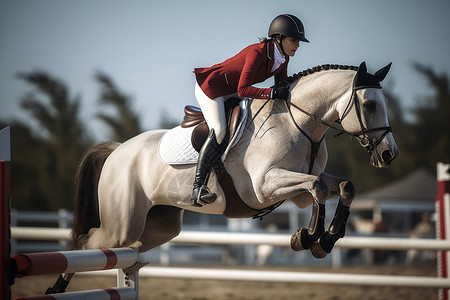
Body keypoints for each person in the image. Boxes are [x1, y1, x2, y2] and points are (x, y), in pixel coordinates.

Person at [191, 14, 309, 206]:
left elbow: (282, 87)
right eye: (294, 40)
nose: (297, 45)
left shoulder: (282, 58)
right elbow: (243, 89)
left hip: (231, 91)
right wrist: (271, 94)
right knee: (219, 131)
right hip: (211, 88)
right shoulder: (257, 53)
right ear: (279, 38)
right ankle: (197, 188)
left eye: (299, 41)